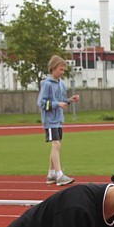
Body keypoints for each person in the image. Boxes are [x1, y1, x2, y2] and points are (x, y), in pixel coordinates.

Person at [37, 55, 78, 187]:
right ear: (53, 68)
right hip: (50, 120)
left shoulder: (61, 84)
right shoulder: (47, 84)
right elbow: (41, 103)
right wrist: (57, 104)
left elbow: (61, 100)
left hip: (58, 119)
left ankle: (51, 174)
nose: (62, 72)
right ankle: (59, 174)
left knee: (56, 145)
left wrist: (69, 100)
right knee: (56, 145)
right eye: (60, 69)